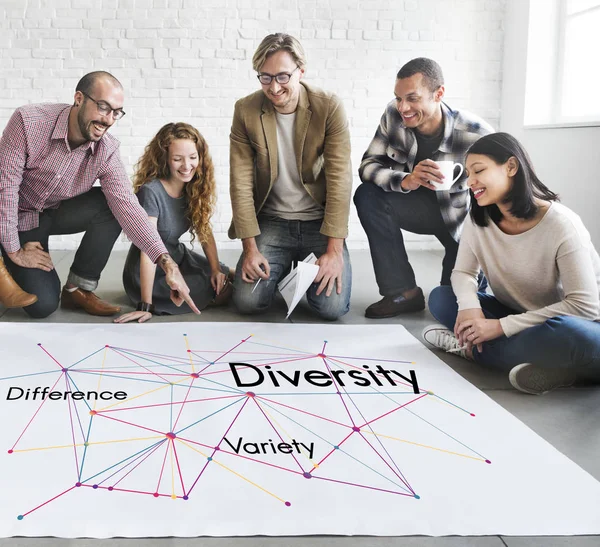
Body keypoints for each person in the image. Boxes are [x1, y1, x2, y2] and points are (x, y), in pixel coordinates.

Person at [0, 71, 199, 318]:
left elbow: (128, 207)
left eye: (116, 112)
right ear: (79, 98)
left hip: (51, 211)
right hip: (13, 212)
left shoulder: (106, 150)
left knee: (114, 204)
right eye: (103, 107)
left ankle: (78, 288)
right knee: (43, 306)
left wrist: (167, 264)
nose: (109, 120)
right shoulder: (28, 122)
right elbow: (5, 190)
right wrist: (14, 250)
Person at [422, 132, 600, 395]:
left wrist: (500, 327)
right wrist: (470, 307)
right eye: (468, 173)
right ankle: (555, 369)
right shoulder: (478, 218)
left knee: (570, 334)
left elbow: (584, 307)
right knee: (441, 298)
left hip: (575, 325)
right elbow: (463, 271)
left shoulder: (563, 225)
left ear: (511, 167)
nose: (470, 182)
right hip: (518, 315)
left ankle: (474, 352)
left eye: (478, 170)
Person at [354, 58, 494, 318]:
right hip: (415, 207)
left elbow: (498, 198)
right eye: (398, 98)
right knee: (367, 195)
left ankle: (471, 280)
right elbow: (368, 166)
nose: (403, 107)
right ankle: (403, 292)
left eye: (412, 98)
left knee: (449, 306)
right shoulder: (393, 115)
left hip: (460, 221)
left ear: (438, 93)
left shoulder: (476, 133)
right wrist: (405, 180)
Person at [229, 33, 353, 320]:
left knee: (331, 307)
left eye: (283, 76)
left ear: (301, 71)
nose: (274, 87)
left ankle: (296, 266)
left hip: (318, 223)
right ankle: (282, 264)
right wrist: (250, 249)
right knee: (248, 302)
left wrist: (333, 253)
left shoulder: (329, 107)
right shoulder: (245, 110)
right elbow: (240, 183)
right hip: (273, 221)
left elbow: (340, 181)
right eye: (265, 77)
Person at [115, 123, 232, 324]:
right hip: (150, 268)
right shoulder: (151, 191)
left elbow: (204, 230)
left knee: (225, 276)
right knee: (221, 292)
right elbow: (147, 250)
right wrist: (146, 305)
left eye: (193, 158)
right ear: (165, 159)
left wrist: (215, 269)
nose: (187, 166)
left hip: (179, 256)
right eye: (178, 159)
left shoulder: (194, 187)